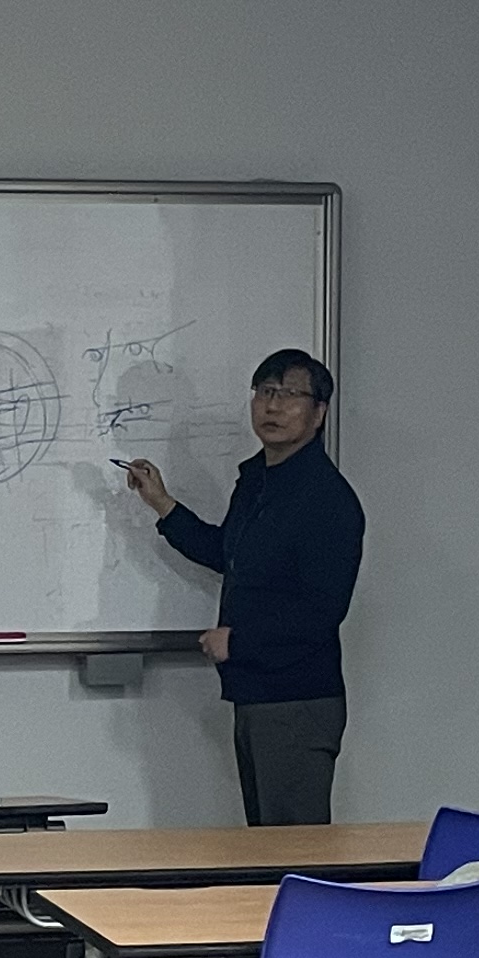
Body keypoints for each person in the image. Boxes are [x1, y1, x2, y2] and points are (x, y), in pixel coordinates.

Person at [120, 348, 364, 826]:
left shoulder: (327, 500)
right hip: (257, 693)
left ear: (319, 412)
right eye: (265, 392)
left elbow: (322, 611)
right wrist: (163, 505)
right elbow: (228, 553)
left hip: (296, 700)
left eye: (289, 395)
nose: (272, 406)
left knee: (293, 850)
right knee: (265, 846)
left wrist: (238, 641)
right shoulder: (257, 481)